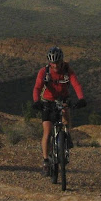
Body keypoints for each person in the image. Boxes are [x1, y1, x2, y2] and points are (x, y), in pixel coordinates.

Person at [32, 46, 87, 175]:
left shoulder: (68, 71)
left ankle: (67, 136)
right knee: (47, 131)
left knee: (66, 117)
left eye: (57, 62)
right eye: (53, 63)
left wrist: (81, 98)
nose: (55, 65)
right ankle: (46, 161)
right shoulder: (44, 72)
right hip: (48, 101)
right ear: (49, 62)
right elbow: (37, 88)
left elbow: (76, 85)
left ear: (62, 61)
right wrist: (36, 101)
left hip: (63, 99)